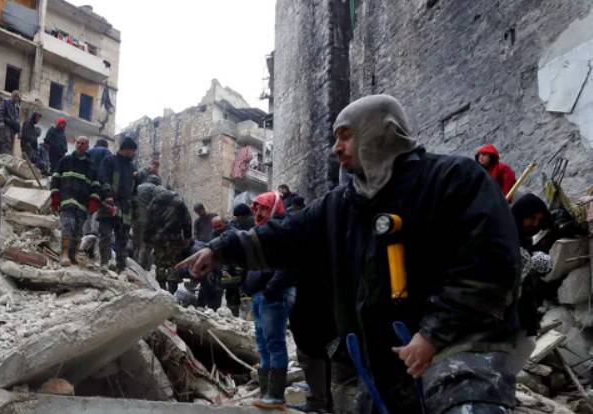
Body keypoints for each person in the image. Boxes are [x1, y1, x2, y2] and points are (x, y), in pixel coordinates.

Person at [178, 95, 522, 414]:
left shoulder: (453, 180)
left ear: (381, 133)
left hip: (460, 355)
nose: (335, 148)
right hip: (386, 365)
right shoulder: (341, 205)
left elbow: (489, 268)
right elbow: (287, 235)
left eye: (345, 136)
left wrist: (433, 335)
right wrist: (220, 249)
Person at [238, 191, 293, 409]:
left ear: (274, 209)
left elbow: (287, 265)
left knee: (274, 343)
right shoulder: (260, 233)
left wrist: (271, 289)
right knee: (262, 344)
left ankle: (276, 396)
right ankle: (265, 393)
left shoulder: (282, 231)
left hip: (274, 295)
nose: (258, 213)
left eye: (263, 208)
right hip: (260, 295)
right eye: (256, 208)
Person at [284, 194, 335, 414]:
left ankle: (320, 401)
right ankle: (321, 398)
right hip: (313, 304)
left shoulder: (309, 236)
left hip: (313, 306)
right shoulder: (322, 236)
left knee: (313, 352)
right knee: (315, 353)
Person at [511, 194, 552, 375]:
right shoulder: (501, 233)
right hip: (496, 306)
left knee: (526, 344)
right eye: (531, 218)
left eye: (538, 220)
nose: (535, 224)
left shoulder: (524, 238)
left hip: (518, 306)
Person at [50, 137, 100, 266]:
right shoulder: (65, 160)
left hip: (82, 202)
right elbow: (55, 178)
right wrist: (55, 197)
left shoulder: (91, 166)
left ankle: (73, 254)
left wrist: (94, 200)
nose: (80, 145)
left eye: (83, 143)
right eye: (78, 143)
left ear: (88, 147)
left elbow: (95, 185)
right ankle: (64, 253)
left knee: (78, 230)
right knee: (68, 225)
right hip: (67, 199)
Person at [96, 137, 138, 271]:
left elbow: (134, 190)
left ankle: (121, 267)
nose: (134, 154)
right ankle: (104, 263)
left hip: (125, 207)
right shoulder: (109, 161)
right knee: (106, 235)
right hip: (109, 203)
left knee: (123, 238)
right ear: (127, 150)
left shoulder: (132, 168)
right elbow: (103, 178)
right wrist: (107, 194)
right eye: (133, 151)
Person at [146, 186, 192, 292]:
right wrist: (187, 236)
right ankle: (172, 289)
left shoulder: (153, 204)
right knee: (174, 263)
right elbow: (187, 220)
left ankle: (162, 288)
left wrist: (147, 238)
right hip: (175, 238)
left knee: (160, 263)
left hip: (158, 238)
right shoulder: (179, 202)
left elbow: (148, 223)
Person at [221, 203, 254, 317]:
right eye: (236, 217)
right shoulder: (233, 224)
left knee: (247, 290)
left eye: (240, 217)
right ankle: (233, 313)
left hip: (249, 263)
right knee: (231, 288)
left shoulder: (254, 224)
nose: (238, 219)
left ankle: (247, 316)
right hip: (233, 262)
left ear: (246, 215)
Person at [131, 175, 163, 271]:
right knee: (146, 244)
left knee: (136, 243)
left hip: (135, 219)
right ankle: (141, 267)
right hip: (148, 221)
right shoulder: (156, 189)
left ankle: (133, 265)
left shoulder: (138, 187)